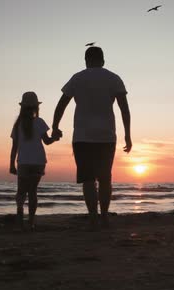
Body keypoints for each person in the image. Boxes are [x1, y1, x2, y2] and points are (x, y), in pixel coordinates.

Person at [51, 47, 132, 230]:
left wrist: (55, 126)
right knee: (105, 179)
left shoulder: (77, 78)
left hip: (82, 136)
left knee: (88, 179)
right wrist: (128, 134)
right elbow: (124, 109)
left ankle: (93, 219)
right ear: (103, 60)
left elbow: (61, 104)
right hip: (106, 136)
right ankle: (104, 217)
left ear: (86, 60)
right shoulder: (114, 78)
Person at [10, 91, 60, 231]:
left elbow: (14, 147)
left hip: (24, 162)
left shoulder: (18, 125)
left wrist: (11, 164)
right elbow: (47, 141)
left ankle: (20, 217)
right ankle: (31, 221)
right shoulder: (39, 122)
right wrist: (55, 138)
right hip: (38, 161)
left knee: (21, 192)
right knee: (32, 192)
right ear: (36, 108)